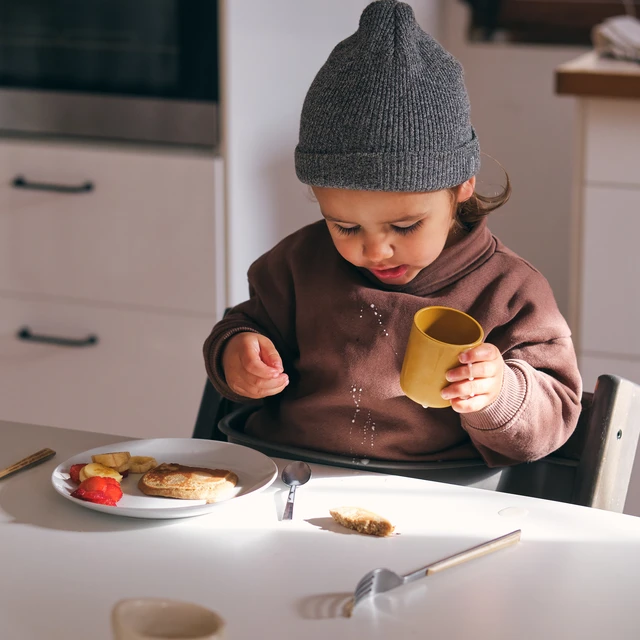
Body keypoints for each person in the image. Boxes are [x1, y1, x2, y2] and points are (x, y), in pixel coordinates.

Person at [203, 0, 582, 467]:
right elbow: (247, 325)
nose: (374, 249)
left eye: (404, 226)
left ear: (463, 185)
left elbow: (553, 419)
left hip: (429, 503)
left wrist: (499, 393)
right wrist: (235, 355)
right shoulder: (300, 263)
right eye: (344, 225)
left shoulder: (510, 291)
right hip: (286, 477)